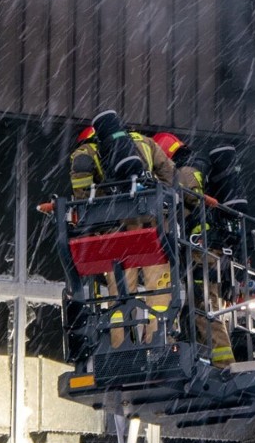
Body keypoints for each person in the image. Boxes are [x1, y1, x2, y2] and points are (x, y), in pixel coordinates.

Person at [70, 117, 176, 347]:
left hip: (116, 235)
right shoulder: (146, 143)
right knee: (159, 287)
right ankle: (158, 343)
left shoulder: (85, 152)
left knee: (119, 293)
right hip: (151, 228)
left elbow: (81, 197)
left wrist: (106, 202)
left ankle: (120, 348)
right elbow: (170, 177)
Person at [153, 132, 235, 367]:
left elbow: (185, 203)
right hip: (200, 249)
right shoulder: (192, 168)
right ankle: (202, 359)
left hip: (201, 250)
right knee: (195, 306)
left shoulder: (187, 172)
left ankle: (224, 364)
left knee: (203, 306)